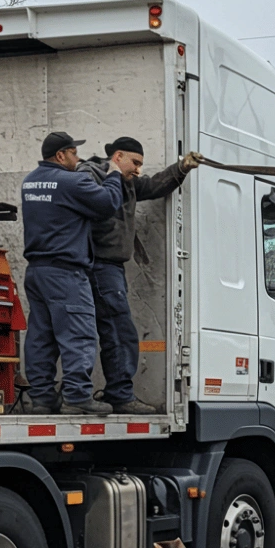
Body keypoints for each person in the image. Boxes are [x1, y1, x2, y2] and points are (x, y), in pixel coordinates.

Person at [77, 138, 203, 414]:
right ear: (118, 156)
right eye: (135, 163)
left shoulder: (128, 183)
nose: (138, 170)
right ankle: (120, 395)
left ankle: (116, 392)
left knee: (114, 331)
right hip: (100, 266)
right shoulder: (93, 177)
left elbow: (155, 185)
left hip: (110, 268)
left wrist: (181, 167)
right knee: (119, 331)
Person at [21, 131, 124, 415]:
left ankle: (42, 398)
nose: (78, 159)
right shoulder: (72, 181)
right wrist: (114, 174)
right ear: (60, 155)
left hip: (37, 272)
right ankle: (77, 396)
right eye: (74, 153)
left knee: (41, 337)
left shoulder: (30, 182)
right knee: (78, 334)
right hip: (65, 273)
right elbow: (108, 203)